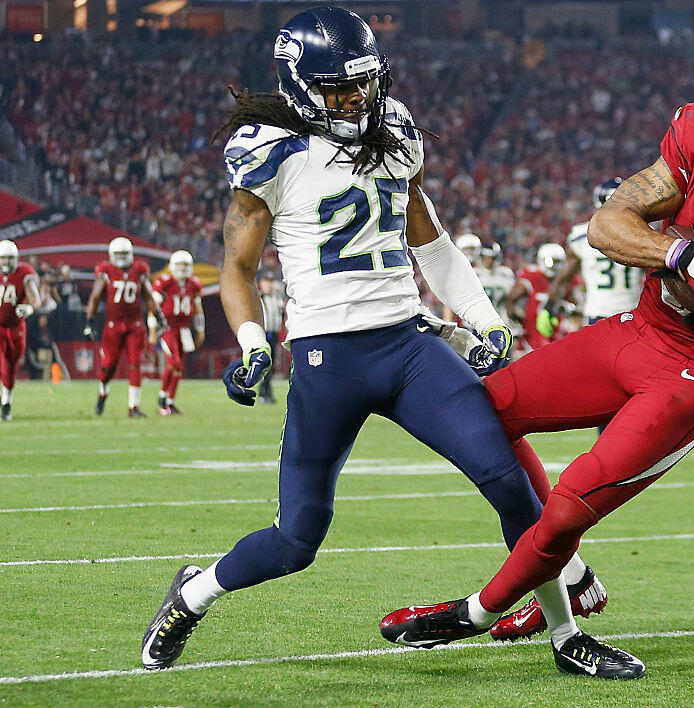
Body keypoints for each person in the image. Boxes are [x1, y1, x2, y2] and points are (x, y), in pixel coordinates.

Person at [141, 6, 620, 676]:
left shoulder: (393, 130)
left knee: (515, 488)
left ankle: (567, 638)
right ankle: (191, 596)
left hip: (407, 347)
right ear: (300, 85)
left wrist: (484, 317)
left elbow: (431, 240)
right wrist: (254, 342)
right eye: (341, 87)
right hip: (326, 359)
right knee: (295, 541)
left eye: (365, 82)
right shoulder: (272, 152)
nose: (358, 98)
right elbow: (238, 269)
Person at [380, 60, 694, 678]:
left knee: (569, 504)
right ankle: (570, 579)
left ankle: (477, 613)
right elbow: (607, 225)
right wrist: (680, 252)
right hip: (637, 333)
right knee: (481, 414)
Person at [537, 178, 644, 339]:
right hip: (632, 315)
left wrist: (549, 307)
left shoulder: (581, 236)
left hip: (598, 316)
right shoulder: (642, 232)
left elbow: (564, 279)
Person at [84, 236, 163, 417]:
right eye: (118, 254)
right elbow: (95, 297)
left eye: (124, 254)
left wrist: (158, 315)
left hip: (135, 325)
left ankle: (133, 408)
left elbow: (149, 296)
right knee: (109, 365)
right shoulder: (106, 271)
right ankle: (103, 393)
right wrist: (89, 321)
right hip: (113, 325)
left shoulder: (140, 270)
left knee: (136, 363)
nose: (121, 258)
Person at [151, 250, 205, 415]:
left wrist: (201, 330)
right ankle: (162, 399)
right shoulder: (164, 282)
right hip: (168, 328)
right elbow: (153, 308)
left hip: (184, 329)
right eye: (180, 264)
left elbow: (197, 310)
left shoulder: (194, 284)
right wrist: (153, 330)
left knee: (179, 367)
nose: (182, 268)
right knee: (173, 363)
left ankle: (171, 401)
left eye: (185, 265)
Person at [0, 240, 42, 421]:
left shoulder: (24, 273)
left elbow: (35, 298)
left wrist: (30, 309)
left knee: (10, 367)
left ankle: (6, 403)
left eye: (10, 259)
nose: (6, 263)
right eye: (3, 259)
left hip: (16, 328)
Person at [507, 243, 567, 353]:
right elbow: (511, 300)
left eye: (557, 262)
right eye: (550, 261)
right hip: (531, 336)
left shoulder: (565, 280)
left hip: (556, 334)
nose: (553, 265)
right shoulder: (533, 276)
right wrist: (517, 318)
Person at [257, 272, 285, 403]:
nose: (269, 284)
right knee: (265, 363)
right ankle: (265, 392)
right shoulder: (259, 299)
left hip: (273, 334)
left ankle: (266, 392)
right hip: (263, 334)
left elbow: (282, 314)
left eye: (270, 281)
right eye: (266, 281)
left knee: (271, 365)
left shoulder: (276, 299)